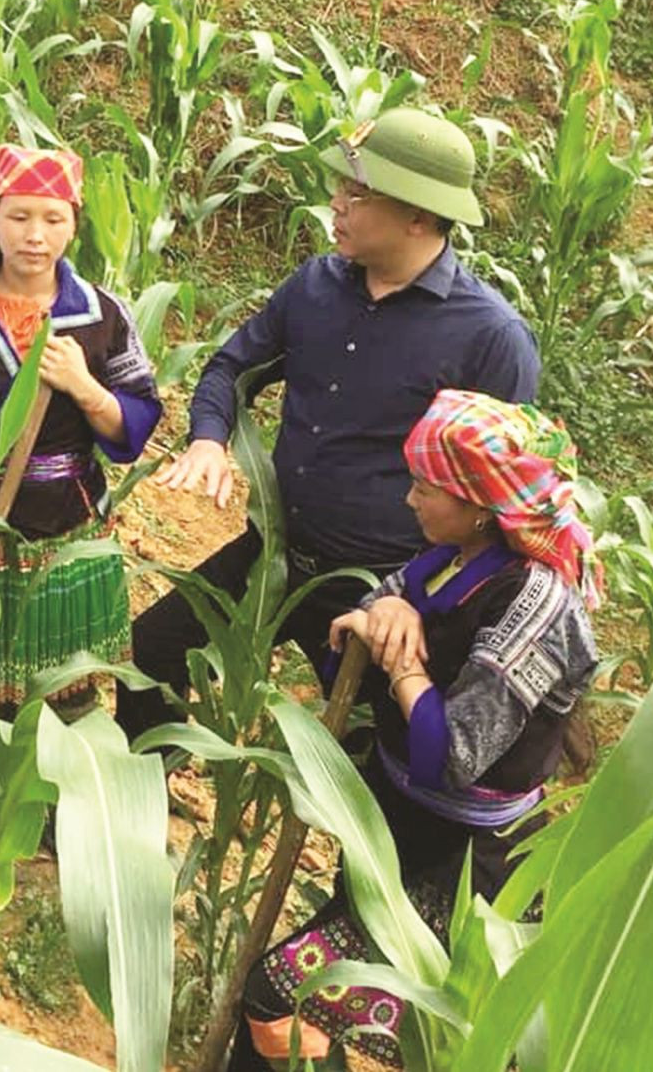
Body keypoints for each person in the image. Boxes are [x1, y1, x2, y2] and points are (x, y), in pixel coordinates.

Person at [116, 108, 542, 741]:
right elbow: (234, 367)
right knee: (154, 652)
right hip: (277, 554)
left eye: (357, 193)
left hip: (388, 587)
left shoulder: (489, 338)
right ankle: (140, 818)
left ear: (418, 216)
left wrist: (418, 598)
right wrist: (209, 437)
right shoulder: (317, 285)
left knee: (371, 754)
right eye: (339, 187)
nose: (336, 205)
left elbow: (505, 504)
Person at [226, 388, 601, 1071]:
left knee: (287, 994)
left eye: (427, 486)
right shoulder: (445, 560)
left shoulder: (538, 604)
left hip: (461, 872)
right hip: (395, 831)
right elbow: (348, 647)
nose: (410, 499)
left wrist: (402, 662)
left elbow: (451, 752)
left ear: (481, 504)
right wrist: (386, 611)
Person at [0, 144, 162, 712]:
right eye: (18, 217)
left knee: (66, 697)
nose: (35, 235)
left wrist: (85, 387)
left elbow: (136, 426)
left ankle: (57, 794)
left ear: (74, 225)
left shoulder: (104, 315)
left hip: (67, 528)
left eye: (53, 218)